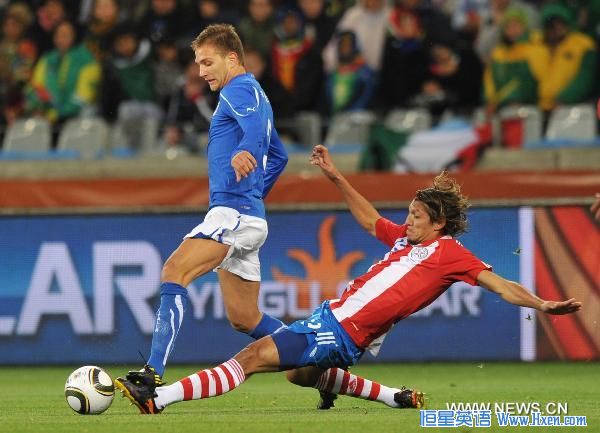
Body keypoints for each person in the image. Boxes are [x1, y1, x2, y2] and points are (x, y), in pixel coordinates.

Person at [115, 145, 581, 414]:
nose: (408, 220)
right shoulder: (406, 241)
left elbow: (500, 285)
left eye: (417, 215)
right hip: (333, 321)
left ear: (438, 222)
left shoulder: (450, 255)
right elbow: (370, 221)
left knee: (253, 355)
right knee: (300, 374)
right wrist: (336, 177)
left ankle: (158, 398)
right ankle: (395, 398)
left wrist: (541, 304)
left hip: (341, 330)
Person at [118, 24, 289, 388]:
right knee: (245, 318)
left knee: (174, 269)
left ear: (232, 58)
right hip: (245, 214)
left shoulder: (239, 88)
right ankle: (321, 361)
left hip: (232, 213)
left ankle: (151, 375)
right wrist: (255, 193)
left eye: (207, 62)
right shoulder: (255, 93)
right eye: (198, 64)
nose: (201, 71)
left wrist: (245, 155)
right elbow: (279, 156)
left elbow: (257, 132)